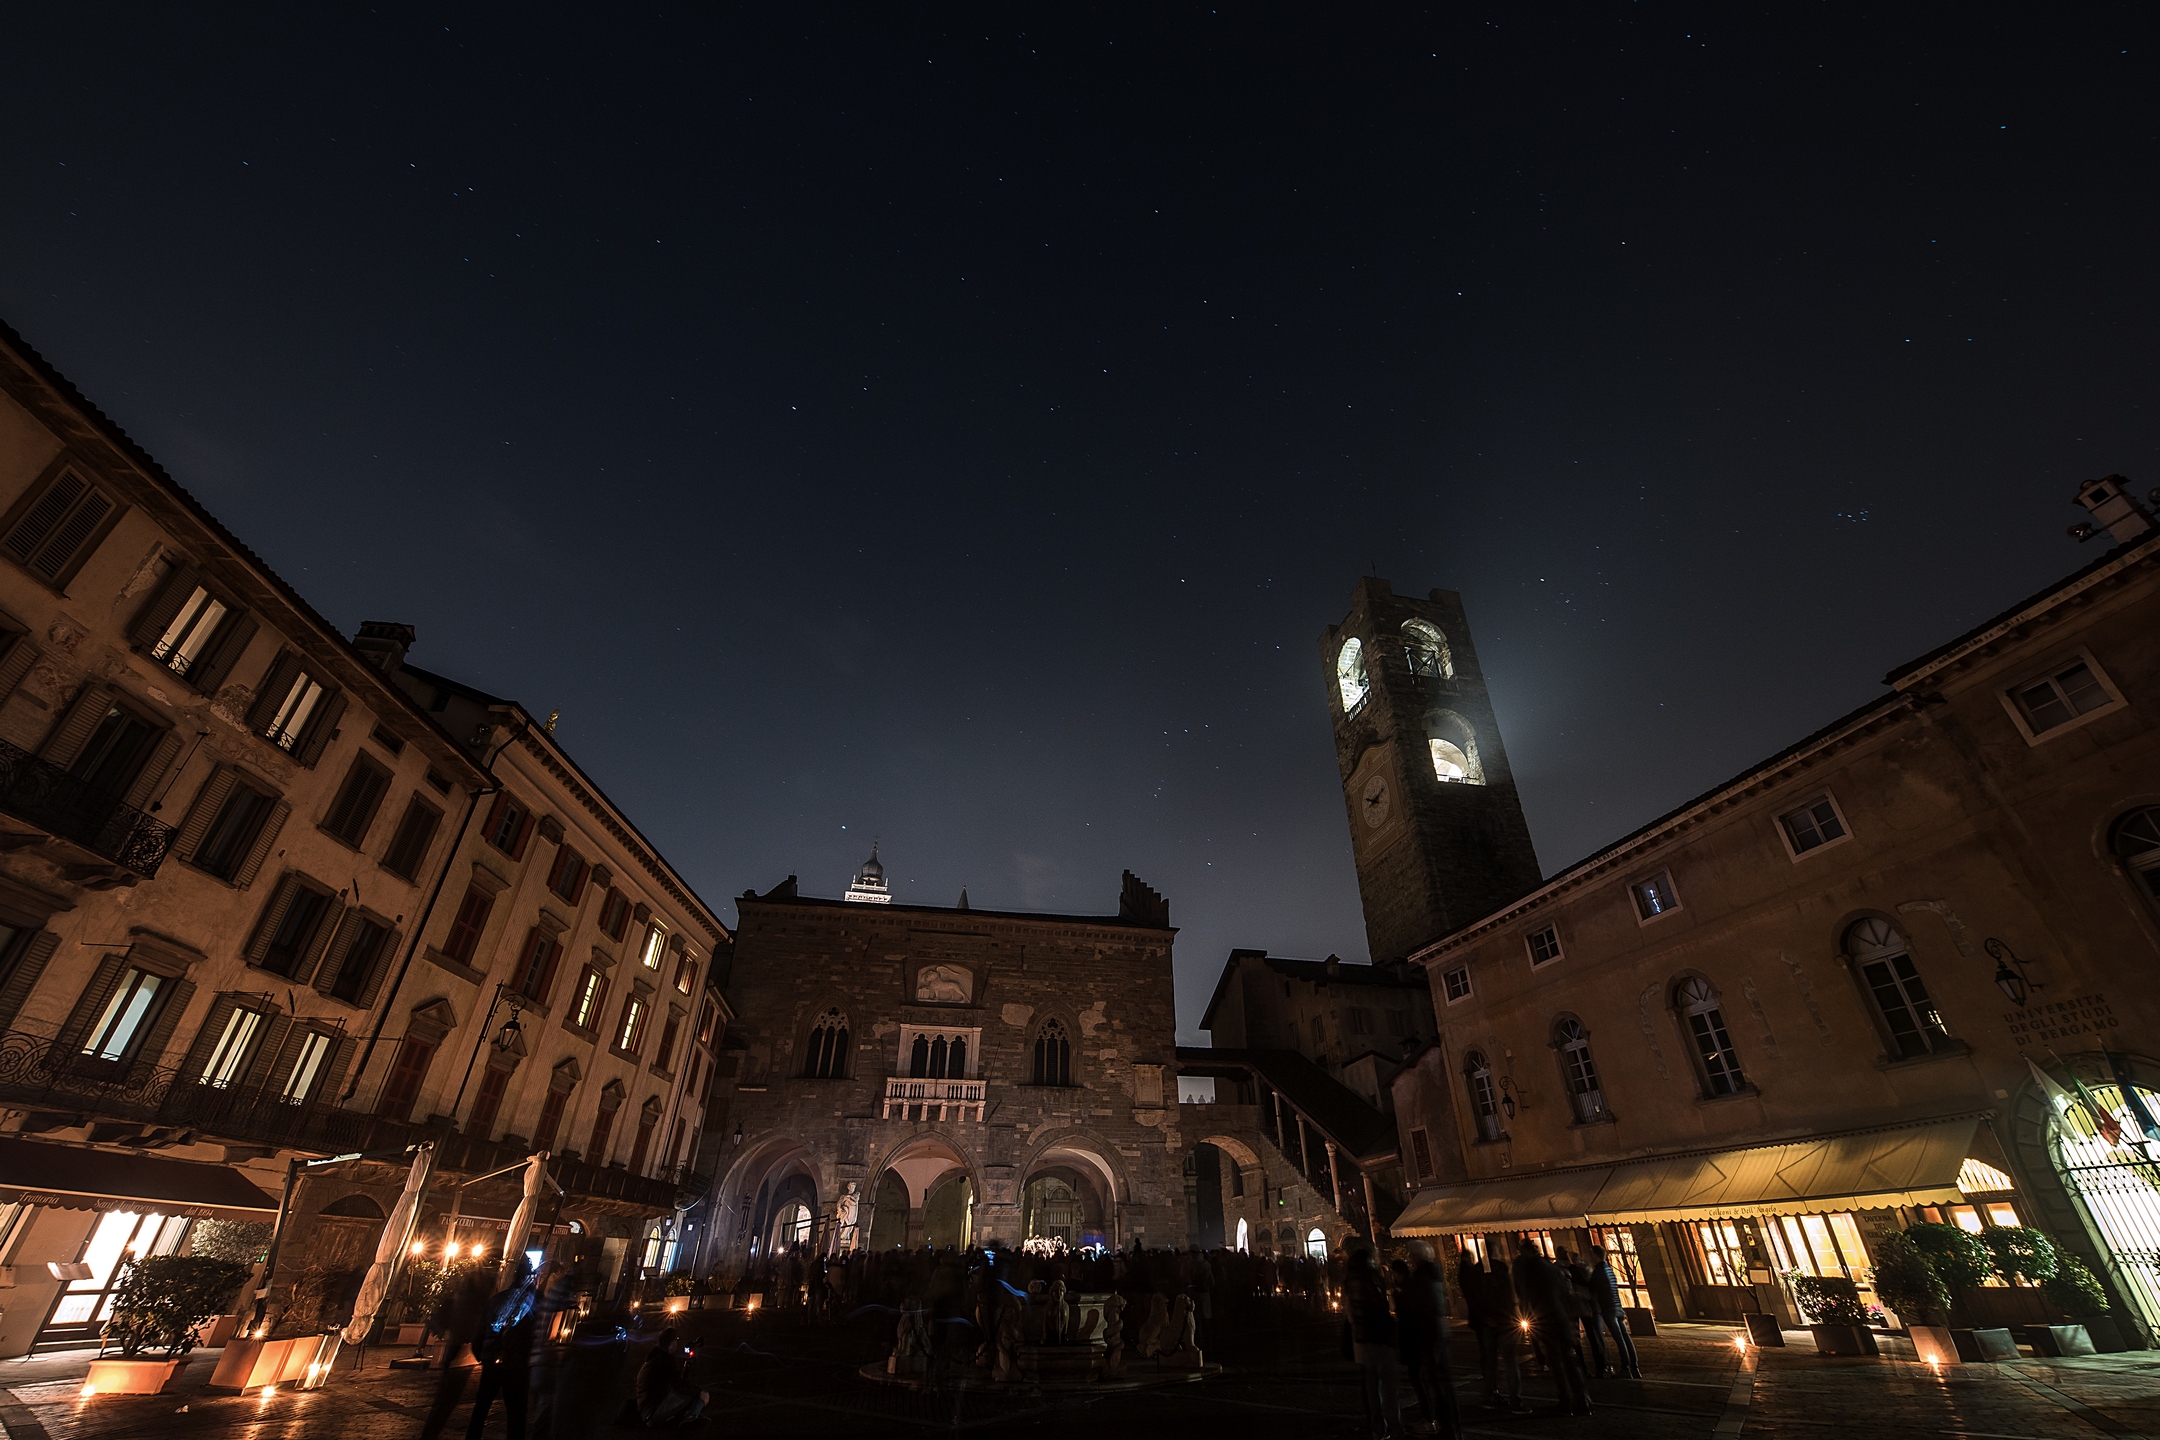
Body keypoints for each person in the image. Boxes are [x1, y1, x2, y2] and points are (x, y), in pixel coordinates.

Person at [1513, 1239, 1590, 1417]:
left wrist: (1528, 1314)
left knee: (1556, 1361)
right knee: (1569, 1360)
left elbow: (1525, 1294)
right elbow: (1564, 1291)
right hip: (1561, 1316)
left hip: (1545, 1318)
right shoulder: (1550, 1266)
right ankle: (1583, 1400)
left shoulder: (1529, 1268)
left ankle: (1566, 1401)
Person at [466, 1260, 540, 1440]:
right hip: (515, 1364)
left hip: (492, 1359)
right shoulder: (532, 1303)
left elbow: (480, 1332)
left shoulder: (497, 1299)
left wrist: (482, 1355)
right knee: (516, 1412)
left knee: (481, 1408)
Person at [1395, 1241, 1459, 1439]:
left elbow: (1414, 1308)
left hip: (1428, 1333)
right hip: (1439, 1331)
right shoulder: (1434, 1274)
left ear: (1417, 1256)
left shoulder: (1420, 1278)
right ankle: (1451, 1426)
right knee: (1442, 1382)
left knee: (1437, 1383)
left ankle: (1446, 1427)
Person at [1345, 1246, 1402, 1439]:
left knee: (1371, 1386)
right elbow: (1379, 1307)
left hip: (1362, 1338)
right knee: (1388, 1386)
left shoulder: (1350, 1279)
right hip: (1379, 1338)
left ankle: (1378, 1428)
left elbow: (1351, 1313)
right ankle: (1394, 1427)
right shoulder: (1371, 1278)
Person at [1461, 1249, 1525, 1415]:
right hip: (1504, 1320)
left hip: (1487, 1322)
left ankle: (1489, 1396)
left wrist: (1484, 1316)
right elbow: (1509, 1294)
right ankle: (1515, 1399)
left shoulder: (1477, 1271)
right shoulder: (1502, 1269)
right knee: (1510, 1361)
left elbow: (1472, 1296)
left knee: (1490, 1361)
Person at [1587, 1246, 1642, 1379]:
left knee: (1619, 1339)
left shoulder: (1598, 1272)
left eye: (1591, 1255)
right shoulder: (1609, 1270)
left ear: (1596, 1255)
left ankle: (1626, 1368)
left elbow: (1591, 1289)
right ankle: (1634, 1367)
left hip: (1608, 1308)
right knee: (1625, 1338)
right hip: (1617, 1306)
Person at [636, 1328, 709, 1427]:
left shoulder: (655, 1358)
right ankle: (690, 1417)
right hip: (654, 1413)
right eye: (676, 1340)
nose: (677, 1344)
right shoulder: (665, 1361)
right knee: (701, 1394)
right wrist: (699, 1392)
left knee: (688, 1393)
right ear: (671, 1343)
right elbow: (679, 1384)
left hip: (647, 1412)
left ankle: (686, 1416)